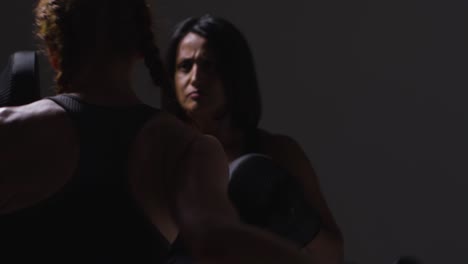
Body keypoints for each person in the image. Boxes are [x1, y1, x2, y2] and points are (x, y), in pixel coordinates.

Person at [0, 1, 311, 263]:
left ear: (53, 48)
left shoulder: (8, 125)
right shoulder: (183, 148)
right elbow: (216, 237)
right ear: (139, 47)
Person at [164, 14, 344, 263]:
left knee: (251, 174)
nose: (195, 78)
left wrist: (297, 220)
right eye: (185, 66)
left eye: (209, 65)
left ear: (234, 73)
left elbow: (333, 253)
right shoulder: (162, 157)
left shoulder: (278, 151)